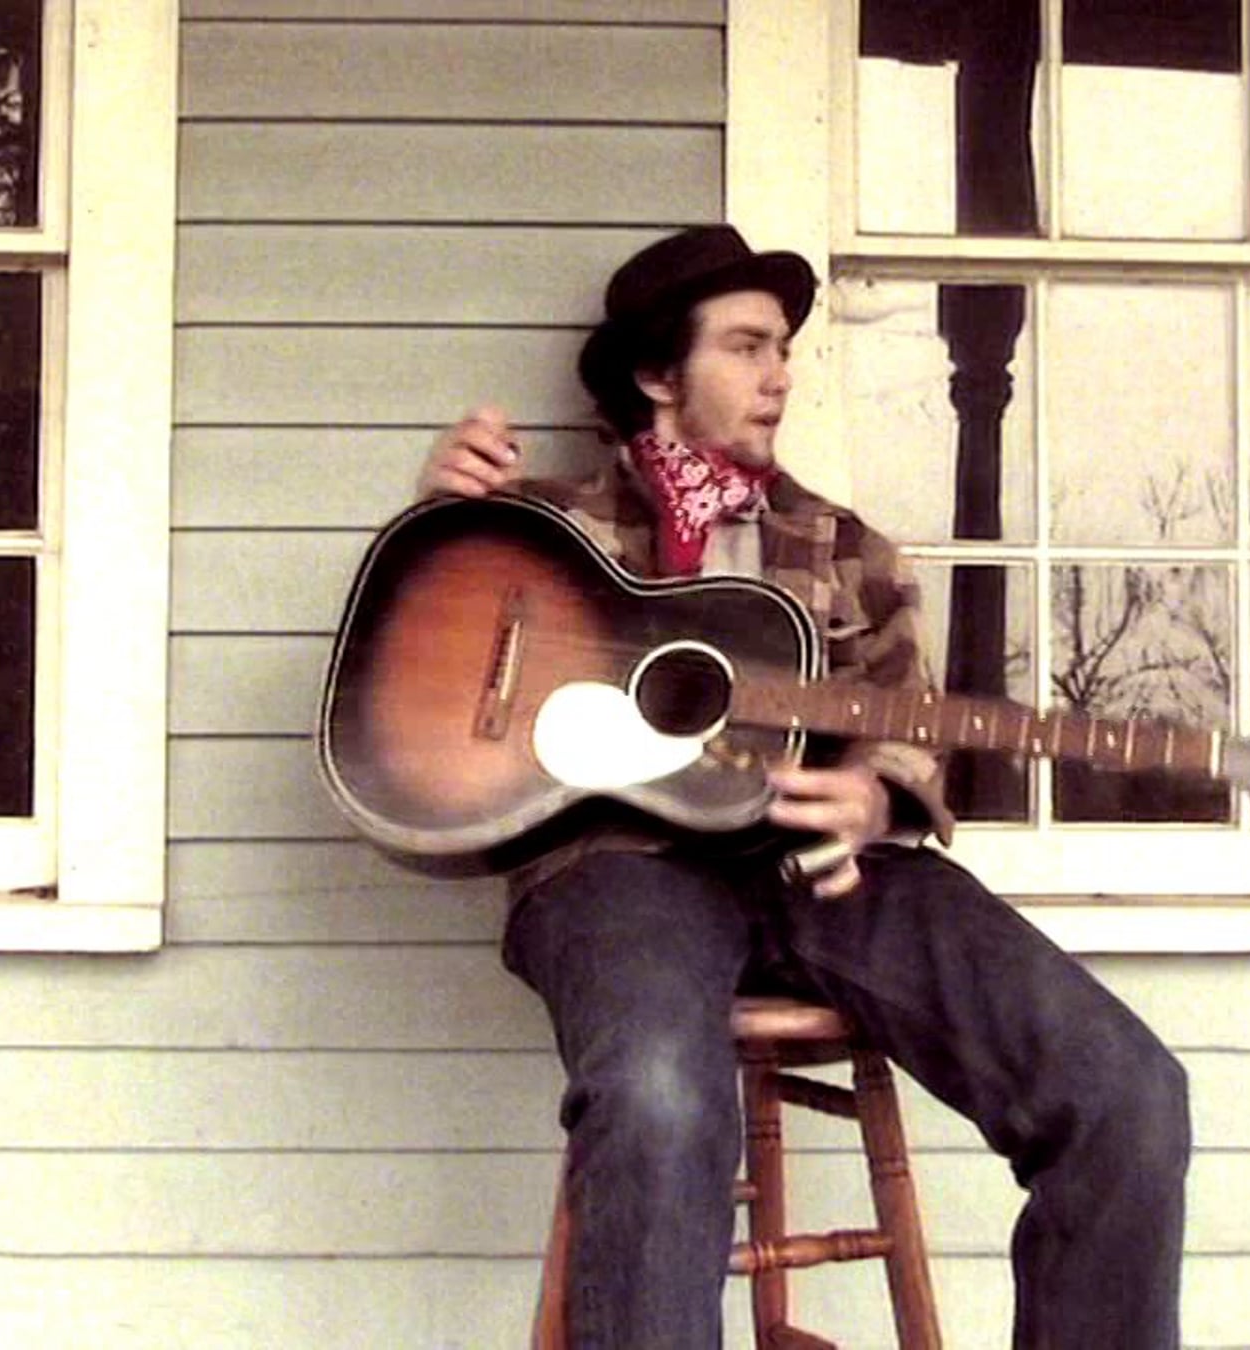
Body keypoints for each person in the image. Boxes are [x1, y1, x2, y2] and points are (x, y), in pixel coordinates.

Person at [416, 225, 1190, 1350]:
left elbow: (910, 725)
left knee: (1126, 1092)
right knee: (660, 1103)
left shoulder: (846, 550)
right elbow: (420, 674)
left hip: (819, 868)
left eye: (783, 348)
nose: (780, 374)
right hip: (617, 871)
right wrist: (439, 518)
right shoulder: (542, 531)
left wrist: (876, 796)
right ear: (658, 374)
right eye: (746, 347)